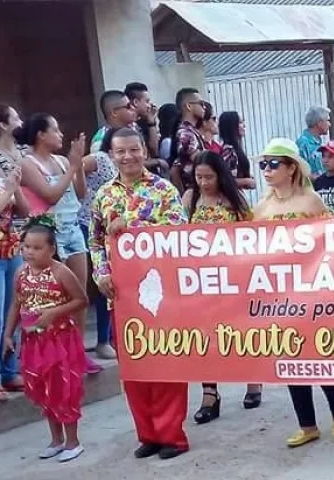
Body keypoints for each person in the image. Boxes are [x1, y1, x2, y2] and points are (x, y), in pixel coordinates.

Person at [89, 127, 189, 460]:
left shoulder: (163, 190)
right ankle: (148, 433)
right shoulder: (103, 194)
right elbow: (95, 240)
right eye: (120, 151)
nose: (127, 157)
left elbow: (179, 231)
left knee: (165, 362)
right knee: (133, 367)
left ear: (144, 151)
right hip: (120, 294)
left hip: (160, 293)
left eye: (133, 150)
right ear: (112, 155)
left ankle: (172, 434)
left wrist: (133, 228)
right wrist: (101, 273)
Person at [253, 138, 334, 447]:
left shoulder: (312, 202)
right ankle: (307, 424)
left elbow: (330, 241)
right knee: (290, 356)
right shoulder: (261, 207)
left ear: (291, 168)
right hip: (278, 294)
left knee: (322, 352)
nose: (266, 170)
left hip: (312, 290)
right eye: (263, 164)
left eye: (273, 164)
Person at [183, 151, 262, 423]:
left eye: (209, 177)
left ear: (220, 176)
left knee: (240, 331)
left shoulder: (234, 202)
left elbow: (251, 236)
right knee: (206, 336)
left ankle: (253, 380)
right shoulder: (189, 199)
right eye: (199, 177)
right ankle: (209, 393)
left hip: (233, 279)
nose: (204, 182)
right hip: (201, 281)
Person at [2, 217, 88, 462]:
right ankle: (56, 440)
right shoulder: (20, 272)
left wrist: (53, 313)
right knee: (44, 390)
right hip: (33, 343)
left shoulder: (61, 272)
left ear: (52, 249)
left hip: (60, 341)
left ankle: (73, 441)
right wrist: (9, 334)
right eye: (26, 246)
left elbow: (82, 300)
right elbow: (16, 305)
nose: (30, 252)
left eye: (37, 248)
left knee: (64, 389)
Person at [17, 114, 97, 373]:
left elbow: (80, 193)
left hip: (72, 228)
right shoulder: (28, 163)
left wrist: (76, 167)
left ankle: (78, 351)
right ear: (41, 134)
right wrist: (74, 167)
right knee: (52, 294)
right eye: (55, 130)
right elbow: (50, 195)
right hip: (48, 232)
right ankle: (54, 353)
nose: (61, 134)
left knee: (78, 292)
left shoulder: (62, 161)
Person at [0, 132, 28, 402]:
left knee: (15, 315)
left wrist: (16, 186)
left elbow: (23, 212)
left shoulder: (2, 181)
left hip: (13, 252)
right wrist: (8, 191)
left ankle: (11, 371)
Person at [78, 128, 119, 360]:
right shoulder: (100, 158)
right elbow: (78, 167)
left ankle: (112, 337)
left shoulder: (122, 165)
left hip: (116, 231)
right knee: (103, 283)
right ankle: (103, 339)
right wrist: (82, 191)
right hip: (91, 225)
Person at [124, 82, 168, 177]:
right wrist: (156, 162)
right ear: (135, 102)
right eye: (147, 101)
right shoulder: (126, 128)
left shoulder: (139, 124)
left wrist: (151, 122)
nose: (149, 106)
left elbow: (154, 150)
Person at [171, 87, 206, 193]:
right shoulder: (186, 133)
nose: (204, 107)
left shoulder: (192, 131)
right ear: (189, 106)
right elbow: (203, 162)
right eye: (201, 103)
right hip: (192, 190)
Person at [218, 111, 256, 190]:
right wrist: (246, 181)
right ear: (232, 126)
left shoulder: (234, 148)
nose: (244, 126)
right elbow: (226, 180)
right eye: (240, 122)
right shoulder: (228, 150)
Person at [296, 106, 330, 178]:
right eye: (327, 121)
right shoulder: (303, 144)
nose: (329, 125)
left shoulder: (319, 143)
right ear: (319, 123)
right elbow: (299, 173)